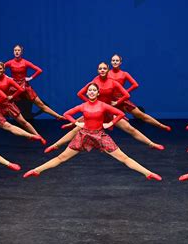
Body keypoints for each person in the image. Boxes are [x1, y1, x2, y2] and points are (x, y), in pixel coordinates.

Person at [22, 83, 162, 180]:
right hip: (83, 135)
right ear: (87, 93)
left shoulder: (103, 105)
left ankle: (148, 173)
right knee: (61, 158)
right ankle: (37, 170)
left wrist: (110, 123)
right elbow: (67, 113)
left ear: (98, 93)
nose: (92, 92)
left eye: (94, 90)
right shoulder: (83, 106)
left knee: (124, 158)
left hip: (100, 136)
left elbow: (119, 113)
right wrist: (77, 122)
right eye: (90, 90)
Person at [44, 62, 164, 153]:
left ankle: (151, 143)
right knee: (76, 130)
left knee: (130, 129)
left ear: (108, 70)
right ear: (97, 70)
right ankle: (56, 145)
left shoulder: (113, 82)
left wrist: (116, 103)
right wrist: (89, 103)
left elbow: (126, 95)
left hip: (109, 112)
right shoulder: (94, 82)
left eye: (104, 68)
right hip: (97, 111)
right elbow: (80, 93)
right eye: (100, 68)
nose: (102, 70)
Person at [108, 54, 171, 131]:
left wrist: (125, 92)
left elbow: (135, 85)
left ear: (120, 62)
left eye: (117, 60)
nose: (115, 62)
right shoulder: (107, 73)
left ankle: (161, 126)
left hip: (122, 99)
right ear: (111, 62)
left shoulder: (124, 74)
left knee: (141, 115)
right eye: (113, 60)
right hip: (110, 100)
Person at [5, 44, 64, 120]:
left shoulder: (25, 62)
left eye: (18, 50)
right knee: (5, 100)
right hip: (14, 86)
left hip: (24, 85)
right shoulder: (10, 62)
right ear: (13, 52)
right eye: (15, 50)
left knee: (40, 104)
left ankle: (57, 116)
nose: (17, 52)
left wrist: (30, 78)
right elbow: (1, 68)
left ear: (21, 52)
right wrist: (8, 78)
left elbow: (39, 70)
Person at [0, 61, 44, 138]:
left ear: (4, 69)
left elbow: (21, 89)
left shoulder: (8, 80)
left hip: (8, 105)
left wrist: (12, 96)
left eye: (0, 68)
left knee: (23, 122)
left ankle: (38, 136)